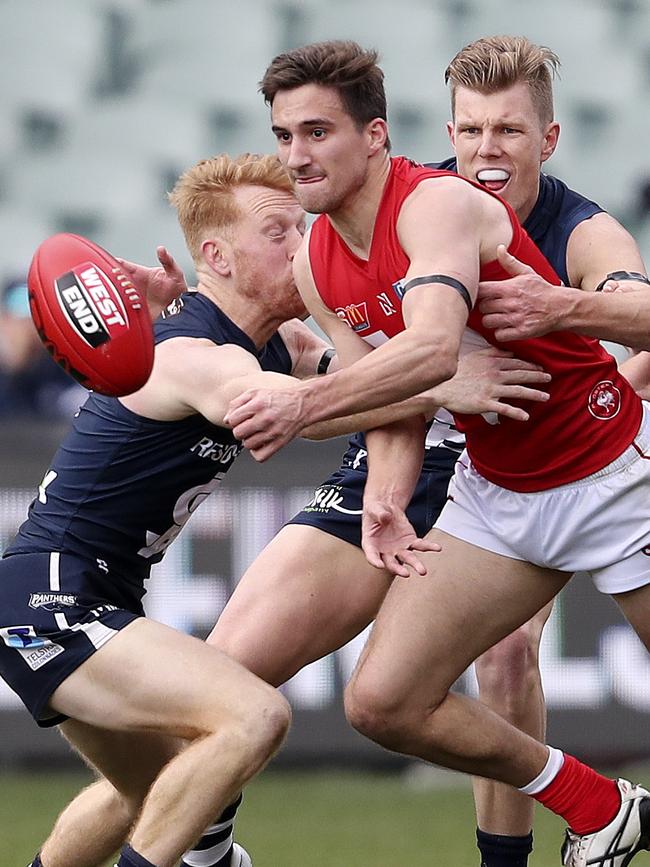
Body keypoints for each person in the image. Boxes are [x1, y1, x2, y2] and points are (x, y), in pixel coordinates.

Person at [18, 156, 545, 867]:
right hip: (54, 599)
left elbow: (347, 384)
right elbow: (306, 411)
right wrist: (449, 379)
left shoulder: (271, 342)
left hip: (79, 597)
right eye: (277, 232)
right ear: (218, 257)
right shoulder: (197, 355)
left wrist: (424, 374)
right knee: (255, 714)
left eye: (303, 224)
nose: (303, 245)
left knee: (149, 792)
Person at [223, 40, 650, 866]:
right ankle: (602, 808)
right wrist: (387, 486)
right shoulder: (320, 255)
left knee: (509, 654)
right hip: (493, 490)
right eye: (284, 136)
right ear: (445, 131)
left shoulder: (469, 213)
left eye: (509, 132)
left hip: (607, 474)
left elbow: (424, 352)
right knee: (380, 700)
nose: (297, 154)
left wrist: (560, 307)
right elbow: (395, 392)